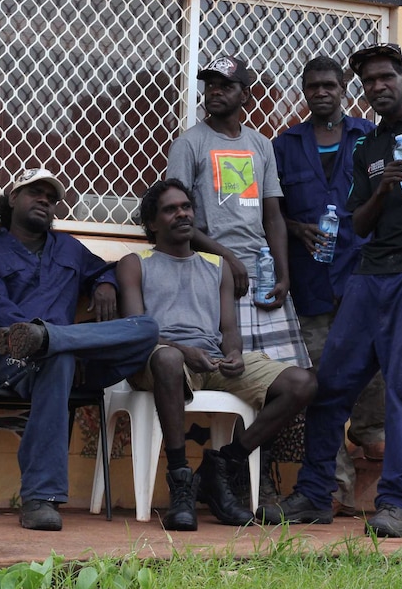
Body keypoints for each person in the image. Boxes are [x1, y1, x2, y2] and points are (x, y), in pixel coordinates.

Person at [278, 43, 402, 538]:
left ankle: (395, 505)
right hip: (367, 278)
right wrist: (384, 188)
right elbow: (361, 224)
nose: (377, 87)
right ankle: (314, 493)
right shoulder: (367, 146)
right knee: (328, 389)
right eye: (369, 81)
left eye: (385, 77)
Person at [0, 167, 159, 532]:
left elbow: (106, 270)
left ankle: (55, 342)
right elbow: (3, 320)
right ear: (13, 199)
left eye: (51, 198)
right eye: (35, 193)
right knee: (58, 358)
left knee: (146, 328)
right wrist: (46, 343)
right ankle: (40, 497)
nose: (45, 201)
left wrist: (105, 284)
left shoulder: (67, 247)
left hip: (65, 354)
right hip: (6, 356)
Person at [118, 179, 316, 529]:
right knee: (167, 359)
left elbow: (229, 332)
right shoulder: (136, 263)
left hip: (210, 361)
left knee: (302, 383)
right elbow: (137, 332)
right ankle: (180, 482)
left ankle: (222, 465)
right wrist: (183, 351)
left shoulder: (216, 265)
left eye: (186, 207)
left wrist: (236, 354)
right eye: (170, 209)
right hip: (159, 360)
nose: (182, 214)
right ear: (152, 223)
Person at [165, 54, 311, 510]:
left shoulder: (260, 145)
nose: (215, 92)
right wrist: (226, 257)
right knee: (230, 379)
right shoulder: (189, 144)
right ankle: (243, 483)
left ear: (245, 92)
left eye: (225, 85)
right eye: (209, 84)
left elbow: (272, 213)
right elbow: (176, 217)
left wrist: (284, 273)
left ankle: (236, 465)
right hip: (214, 278)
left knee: (288, 386)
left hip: (262, 276)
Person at [272, 56, 385, 516]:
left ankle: (369, 430)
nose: (321, 92)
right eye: (312, 86)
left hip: (363, 275)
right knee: (319, 385)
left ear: (344, 89)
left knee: (371, 367)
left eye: (329, 85)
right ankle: (334, 488)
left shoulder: (371, 137)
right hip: (311, 282)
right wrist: (296, 228)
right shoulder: (285, 145)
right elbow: (269, 209)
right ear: (304, 91)